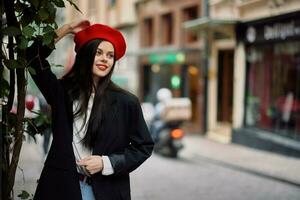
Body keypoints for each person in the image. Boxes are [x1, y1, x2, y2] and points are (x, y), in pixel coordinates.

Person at [27, 20, 154, 200]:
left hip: (107, 191)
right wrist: (66, 29)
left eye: (110, 55)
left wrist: (106, 162)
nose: (105, 59)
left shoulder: (126, 102)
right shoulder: (61, 92)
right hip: (61, 188)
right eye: (99, 52)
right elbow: (32, 56)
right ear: (86, 55)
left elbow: (144, 146)